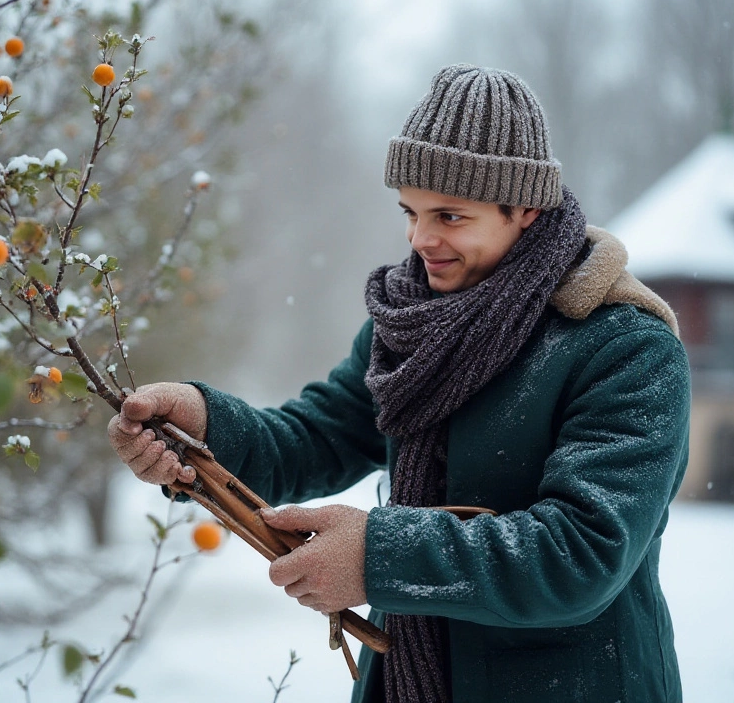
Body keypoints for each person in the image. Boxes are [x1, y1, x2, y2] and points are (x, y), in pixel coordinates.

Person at [107, 64, 690, 703]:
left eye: (449, 216)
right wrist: (205, 425)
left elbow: (580, 554)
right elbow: (315, 438)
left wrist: (378, 557)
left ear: (524, 207)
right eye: (409, 212)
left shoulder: (627, 349)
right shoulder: (410, 325)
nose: (420, 240)